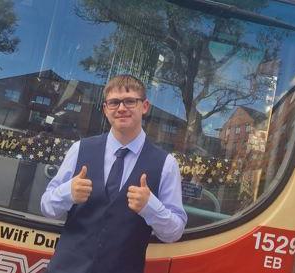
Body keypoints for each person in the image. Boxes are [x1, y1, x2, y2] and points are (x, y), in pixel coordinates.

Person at [40, 75, 187, 273]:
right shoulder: (80, 149)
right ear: (105, 109)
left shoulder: (166, 165)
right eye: (114, 102)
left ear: (144, 106)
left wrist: (150, 207)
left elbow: (174, 233)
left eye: (130, 101)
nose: (121, 108)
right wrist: (68, 193)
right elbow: (47, 208)